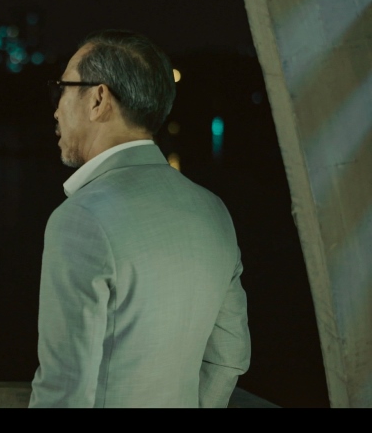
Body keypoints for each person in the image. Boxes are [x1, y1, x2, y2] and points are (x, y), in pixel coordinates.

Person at [29, 29, 251, 408]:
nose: (55, 109)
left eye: (61, 89)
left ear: (98, 99)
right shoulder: (212, 209)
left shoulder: (82, 219)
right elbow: (228, 357)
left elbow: (64, 390)